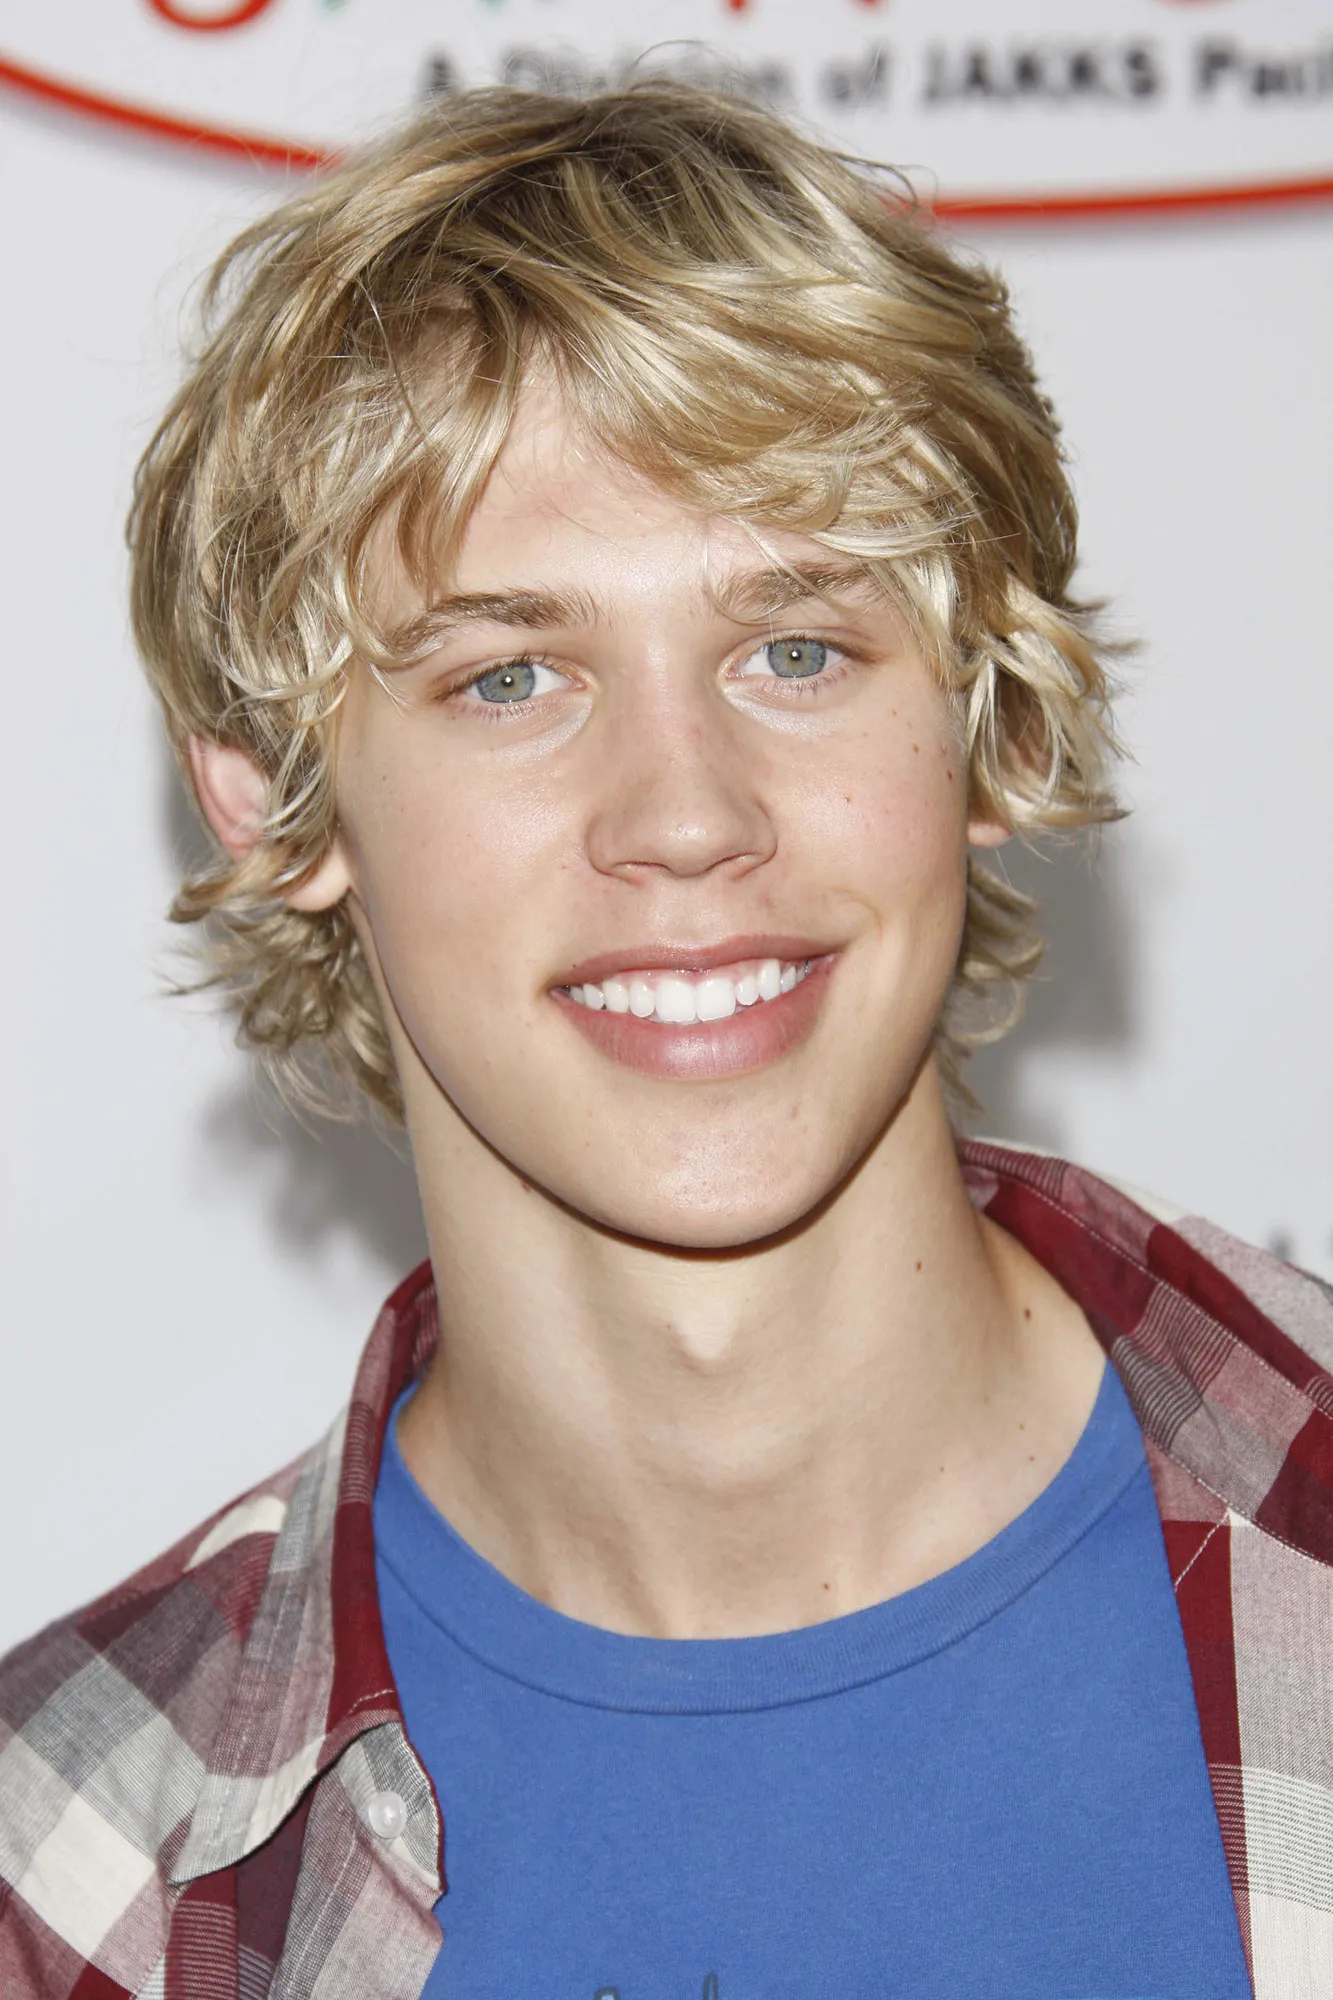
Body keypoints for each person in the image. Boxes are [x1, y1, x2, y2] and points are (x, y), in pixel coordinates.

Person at [1, 79, 1329, 2000]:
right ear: (279, 800)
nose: (687, 815)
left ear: (990, 721)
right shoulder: (68, 1888)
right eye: (510, 677)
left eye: (798, 649)